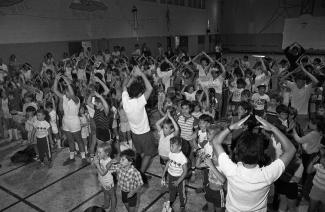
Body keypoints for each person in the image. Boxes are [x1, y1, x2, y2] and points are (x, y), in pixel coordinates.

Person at [212, 115, 296, 212]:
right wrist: (273, 128)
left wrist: (231, 127)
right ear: (261, 153)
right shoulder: (267, 174)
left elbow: (216, 142)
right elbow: (291, 150)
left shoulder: (231, 170)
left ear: (237, 152)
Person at [122, 65, 155, 183]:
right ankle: (140, 174)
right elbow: (150, 88)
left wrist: (133, 77)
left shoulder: (126, 101)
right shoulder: (139, 102)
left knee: (139, 154)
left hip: (135, 134)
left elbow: (124, 87)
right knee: (148, 154)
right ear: (139, 94)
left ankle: (137, 172)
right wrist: (141, 74)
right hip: (144, 134)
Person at [52, 74, 88, 166]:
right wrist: (56, 79)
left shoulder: (76, 99)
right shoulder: (64, 97)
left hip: (74, 121)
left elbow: (72, 94)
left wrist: (68, 83)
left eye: (66, 91)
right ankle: (72, 158)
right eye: (65, 91)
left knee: (79, 140)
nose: (65, 92)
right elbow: (55, 90)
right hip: (65, 121)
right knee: (70, 140)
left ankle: (84, 158)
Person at [161, 136, 188, 212]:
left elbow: (185, 171)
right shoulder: (171, 153)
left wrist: (178, 181)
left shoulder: (182, 158)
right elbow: (168, 163)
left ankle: (182, 204)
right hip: (171, 175)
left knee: (181, 193)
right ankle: (171, 200)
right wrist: (163, 174)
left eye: (172, 146)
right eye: (170, 145)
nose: (170, 147)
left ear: (179, 147)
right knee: (171, 189)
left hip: (179, 178)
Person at [93, 143, 116, 211]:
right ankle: (106, 205)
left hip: (108, 182)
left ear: (106, 153)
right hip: (102, 180)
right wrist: (95, 161)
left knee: (112, 195)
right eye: (97, 152)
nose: (98, 154)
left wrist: (97, 164)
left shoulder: (109, 162)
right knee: (105, 193)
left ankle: (113, 209)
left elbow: (103, 173)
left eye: (100, 152)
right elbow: (96, 167)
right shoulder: (101, 158)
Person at [307, 148, 325, 212]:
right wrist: (312, 162)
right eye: (322, 158)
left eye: (323, 158)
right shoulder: (319, 166)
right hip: (316, 190)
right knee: (311, 209)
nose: (321, 160)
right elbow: (309, 171)